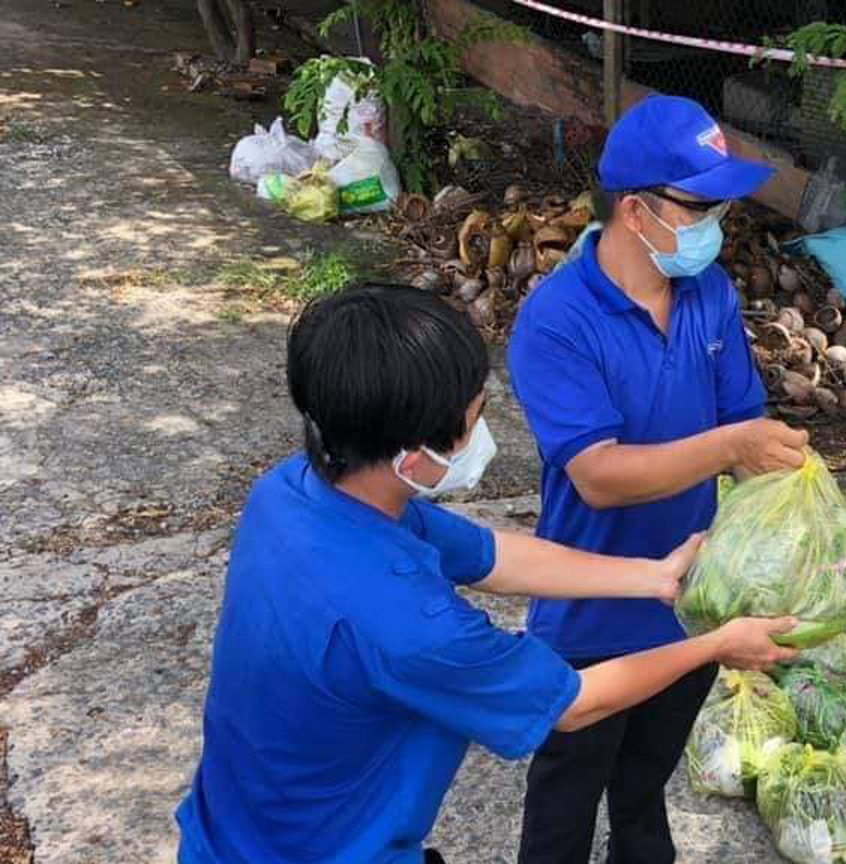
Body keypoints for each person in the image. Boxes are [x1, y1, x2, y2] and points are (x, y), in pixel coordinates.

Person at [174, 284, 798, 864]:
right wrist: (716, 643)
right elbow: (575, 703)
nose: (485, 431)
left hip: (234, 833)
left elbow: (491, 556)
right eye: (475, 417)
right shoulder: (409, 627)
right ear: (413, 458)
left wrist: (654, 577)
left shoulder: (292, 494)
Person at [507, 94, 810, 864]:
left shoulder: (710, 293)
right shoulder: (558, 320)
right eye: (700, 205)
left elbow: (743, 425)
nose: (718, 224)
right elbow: (600, 477)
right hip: (593, 608)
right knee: (564, 808)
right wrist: (729, 446)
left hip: (692, 599)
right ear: (636, 212)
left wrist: (795, 521)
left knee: (644, 793)